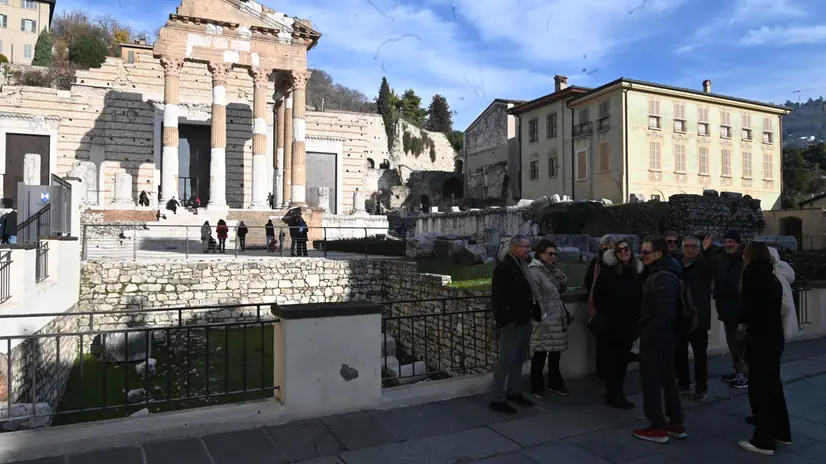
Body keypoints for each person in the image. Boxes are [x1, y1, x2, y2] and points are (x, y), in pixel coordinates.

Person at [737, 242, 791, 456]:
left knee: (759, 388)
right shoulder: (773, 277)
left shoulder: (752, 275)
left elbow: (749, 309)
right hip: (774, 337)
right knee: (773, 386)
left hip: (760, 339)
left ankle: (764, 440)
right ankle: (781, 432)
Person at [633, 237, 685, 444]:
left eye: (645, 252)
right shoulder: (663, 272)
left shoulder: (662, 277)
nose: (642, 255)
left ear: (658, 254)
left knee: (652, 381)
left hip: (657, 337)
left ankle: (657, 427)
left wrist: (646, 333)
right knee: (666, 380)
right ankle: (676, 423)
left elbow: (665, 312)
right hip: (665, 336)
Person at [591, 238, 643, 409]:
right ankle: (613, 395)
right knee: (614, 362)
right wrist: (611, 313)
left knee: (621, 362)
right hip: (613, 325)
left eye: (626, 249)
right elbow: (598, 297)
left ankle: (617, 393)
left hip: (629, 324)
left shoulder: (635, 271)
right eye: (619, 250)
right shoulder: (609, 272)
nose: (624, 252)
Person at [490, 234, 538, 414]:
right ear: (514, 248)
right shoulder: (504, 267)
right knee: (506, 360)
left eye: (528, 246)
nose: (528, 249)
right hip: (512, 322)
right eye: (524, 246)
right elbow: (498, 298)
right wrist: (506, 320)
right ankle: (497, 398)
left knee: (519, 358)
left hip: (524, 318)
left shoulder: (523, 266)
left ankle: (514, 391)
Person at [675, 235, 715, 401]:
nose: (690, 249)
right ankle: (683, 384)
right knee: (680, 353)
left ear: (698, 249)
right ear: (682, 248)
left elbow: (713, 268)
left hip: (699, 317)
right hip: (680, 316)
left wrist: (708, 251)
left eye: (693, 246)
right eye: (687, 246)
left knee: (700, 355)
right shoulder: (676, 265)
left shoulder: (704, 265)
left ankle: (701, 387)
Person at [528, 240, 570, 398]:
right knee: (540, 352)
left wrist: (562, 278)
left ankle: (555, 382)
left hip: (557, 315)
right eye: (550, 253)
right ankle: (537, 386)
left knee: (555, 352)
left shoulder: (552, 270)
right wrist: (542, 313)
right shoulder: (534, 270)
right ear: (540, 253)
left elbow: (561, 290)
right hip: (544, 316)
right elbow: (533, 293)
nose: (553, 256)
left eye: (555, 254)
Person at [712, 229, 747, 389]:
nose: (728, 244)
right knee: (732, 343)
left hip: (742, 311)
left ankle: (745, 375)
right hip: (726, 310)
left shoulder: (746, 260)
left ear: (738, 243)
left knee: (743, 345)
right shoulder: (721, 259)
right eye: (726, 241)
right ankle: (738, 371)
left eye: (731, 242)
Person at [585, 234, 616, 384]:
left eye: (611, 247)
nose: (608, 249)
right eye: (606, 246)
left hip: (615, 310)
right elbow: (588, 281)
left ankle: (611, 372)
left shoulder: (618, 263)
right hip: (602, 309)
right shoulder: (597, 263)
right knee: (603, 345)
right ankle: (603, 374)